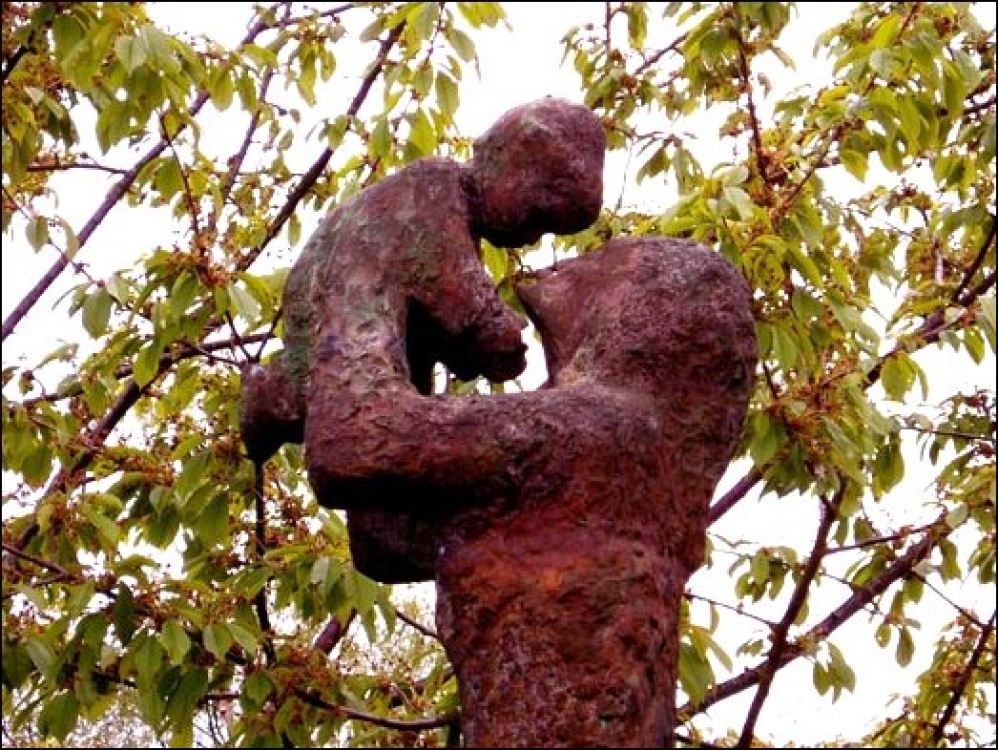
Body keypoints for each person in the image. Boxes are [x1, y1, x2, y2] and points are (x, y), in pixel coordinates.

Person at [306, 236, 758, 747]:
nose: (561, 272)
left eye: (602, 269)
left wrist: (364, 281)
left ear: (646, 314)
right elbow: (386, 539)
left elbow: (353, 443)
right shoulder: (623, 454)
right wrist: (415, 342)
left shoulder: (600, 428)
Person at [239, 98, 606, 465]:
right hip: (355, 369)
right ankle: (279, 399)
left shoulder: (435, 206)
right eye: (536, 218)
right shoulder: (431, 191)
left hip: (363, 355)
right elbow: (469, 310)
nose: (532, 238)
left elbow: (448, 325)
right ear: (513, 166)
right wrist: (506, 337)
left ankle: (282, 396)